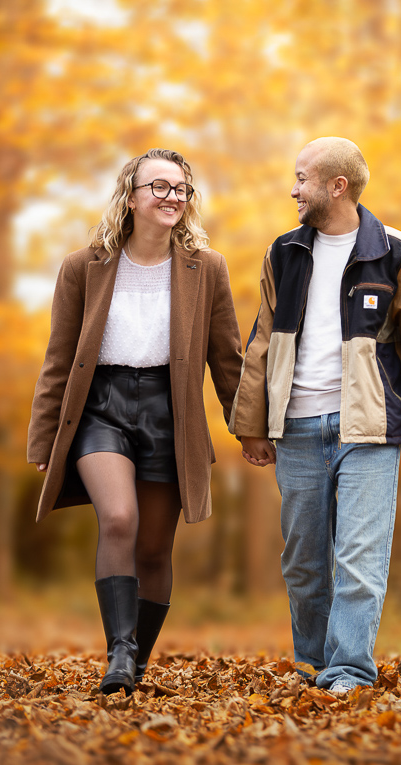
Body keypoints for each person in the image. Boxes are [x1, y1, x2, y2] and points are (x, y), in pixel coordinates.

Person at [230, 137, 401, 694]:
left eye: (302, 178)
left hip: (368, 427)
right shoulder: (284, 251)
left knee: (360, 558)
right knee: (305, 564)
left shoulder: (391, 250)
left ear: (336, 186)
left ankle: (349, 671)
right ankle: (314, 665)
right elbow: (263, 340)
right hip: (295, 428)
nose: (293, 189)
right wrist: (251, 424)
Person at [26, 149, 242, 695]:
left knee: (153, 549)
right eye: (160, 187)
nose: (172, 197)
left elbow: (227, 358)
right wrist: (44, 435)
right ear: (131, 195)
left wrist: (250, 428)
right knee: (119, 519)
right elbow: (58, 357)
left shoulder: (206, 268)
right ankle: (119, 654)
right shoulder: (85, 266)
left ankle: (136, 662)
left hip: (172, 413)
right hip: (102, 408)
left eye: (181, 189)